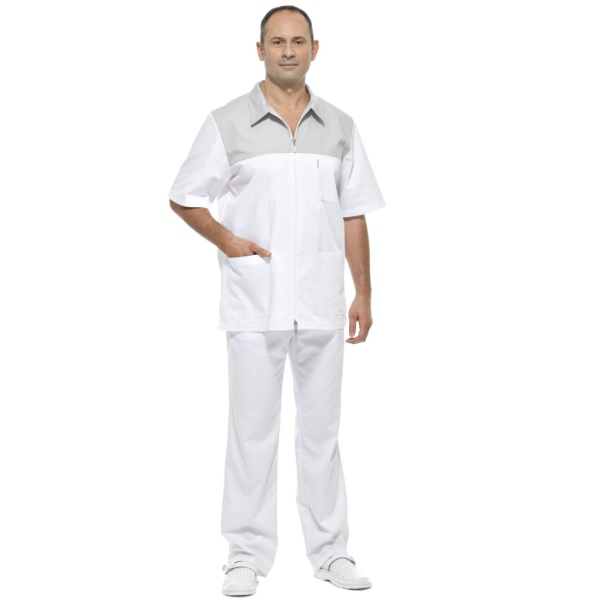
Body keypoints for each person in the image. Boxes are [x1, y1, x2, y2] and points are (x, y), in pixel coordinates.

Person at [168, 5, 385, 596]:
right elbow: (184, 195)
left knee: (322, 434)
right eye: (277, 41)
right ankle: (245, 554)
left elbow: (354, 212)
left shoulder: (340, 126)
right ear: (259, 50)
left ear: (315, 48)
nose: (288, 50)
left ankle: (331, 552)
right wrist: (228, 241)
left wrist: (363, 291)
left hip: (320, 301)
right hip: (254, 300)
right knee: (251, 433)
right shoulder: (226, 123)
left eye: (298, 41)